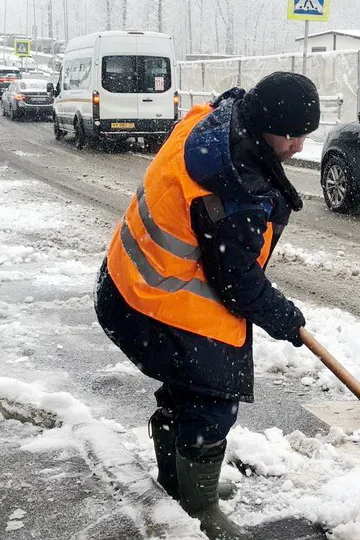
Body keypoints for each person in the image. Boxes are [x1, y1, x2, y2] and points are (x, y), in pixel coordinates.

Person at [94, 71, 319, 540]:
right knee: (213, 394)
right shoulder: (229, 184)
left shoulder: (216, 123)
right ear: (265, 125)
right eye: (293, 135)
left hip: (130, 279)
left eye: (305, 136)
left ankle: (179, 481)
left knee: (188, 386)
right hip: (154, 299)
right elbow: (237, 281)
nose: (299, 146)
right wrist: (285, 319)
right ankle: (197, 507)